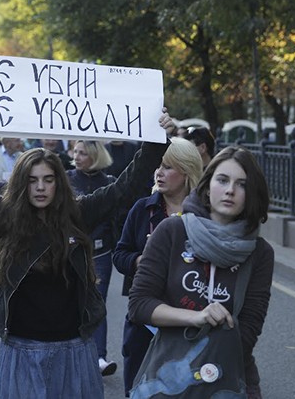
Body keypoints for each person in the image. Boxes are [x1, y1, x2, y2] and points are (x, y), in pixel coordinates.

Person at [0, 94, 173, 398]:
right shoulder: (3, 216)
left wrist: (156, 139)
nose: (41, 187)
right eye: (33, 181)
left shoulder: (79, 213)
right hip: (21, 350)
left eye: (48, 179)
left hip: (75, 349)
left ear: (58, 182)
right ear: (22, 183)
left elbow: (125, 188)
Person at [128, 146, 273, 399]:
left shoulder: (260, 252)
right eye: (223, 180)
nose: (230, 190)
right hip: (168, 375)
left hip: (229, 376)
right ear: (207, 185)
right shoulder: (171, 231)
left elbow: (248, 331)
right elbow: (139, 305)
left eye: (241, 184)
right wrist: (195, 317)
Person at [113, 137, 203, 395]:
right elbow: (120, 254)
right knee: (140, 388)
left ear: (186, 173)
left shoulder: (203, 214)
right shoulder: (143, 209)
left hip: (188, 316)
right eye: (158, 166)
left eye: (167, 167)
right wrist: (143, 260)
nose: (159, 172)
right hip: (144, 319)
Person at [66, 140, 119, 376]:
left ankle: (99, 357)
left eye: (83, 153)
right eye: (75, 151)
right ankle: (71, 354)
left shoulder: (109, 183)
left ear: (96, 156)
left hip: (100, 254)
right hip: (69, 252)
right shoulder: (64, 178)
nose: (76, 156)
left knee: (96, 304)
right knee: (69, 303)